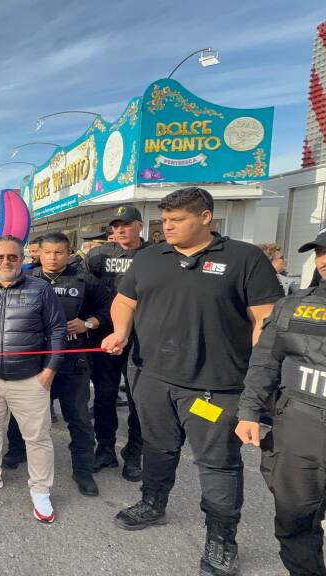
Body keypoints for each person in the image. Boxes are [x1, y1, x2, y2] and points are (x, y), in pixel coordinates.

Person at [102, 188, 282, 576]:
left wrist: (260, 379)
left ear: (205, 218)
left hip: (216, 386)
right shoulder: (150, 256)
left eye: (177, 220)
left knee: (218, 464)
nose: (167, 227)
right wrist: (120, 331)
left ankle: (221, 540)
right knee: (157, 448)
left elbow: (265, 320)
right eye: (164, 220)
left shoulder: (244, 259)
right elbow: (125, 300)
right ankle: (153, 502)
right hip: (151, 378)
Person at [237, 228, 326, 576]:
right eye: (319, 252)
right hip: (299, 430)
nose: (323, 260)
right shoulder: (292, 306)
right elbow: (264, 364)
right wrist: (248, 412)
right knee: (295, 520)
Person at [0, 235, 65, 522]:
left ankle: (41, 490)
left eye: (12, 257)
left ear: (22, 259)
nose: (6, 262)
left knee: (37, 438)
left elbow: (57, 330)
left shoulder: (41, 289)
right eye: (0, 257)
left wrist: (50, 370)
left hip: (30, 379)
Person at [2, 232, 112, 496]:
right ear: (38, 253)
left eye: (59, 252)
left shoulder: (85, 280)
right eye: (47, 252)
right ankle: (17, 451)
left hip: (73, 362)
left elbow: (111, 308)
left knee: (79, 419)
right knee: (24, 414)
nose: (52, 257)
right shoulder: (27, 279)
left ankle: (83, 470)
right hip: (35, 362)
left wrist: (88, 323)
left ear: (69, 253)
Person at [86, 204, 149, 481]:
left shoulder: (156, 255)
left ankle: (134, 454)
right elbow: (87, 290)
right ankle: (106, 449)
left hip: (143, 338)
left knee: (140, 400)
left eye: (126, 224)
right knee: (105, 394)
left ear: (140, 225)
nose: (120, 229)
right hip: (106, 336)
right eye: (116, 225)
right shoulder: (100, 254)